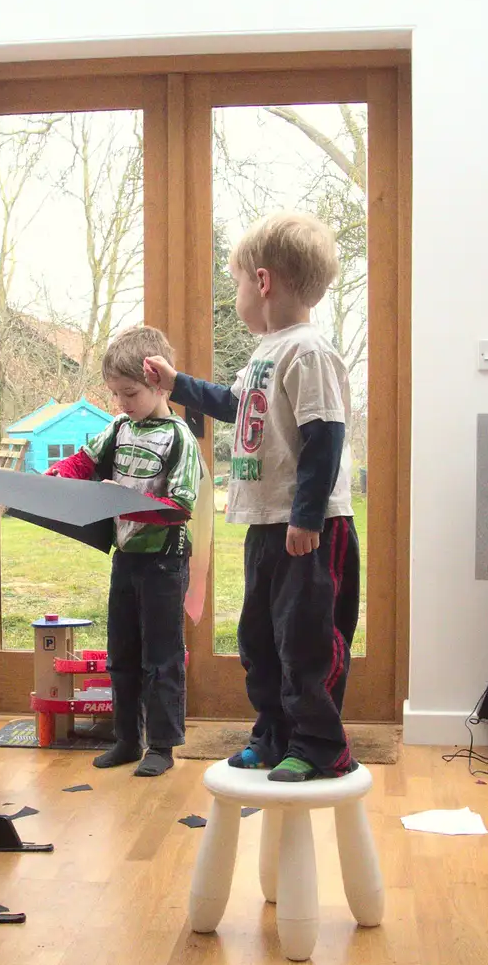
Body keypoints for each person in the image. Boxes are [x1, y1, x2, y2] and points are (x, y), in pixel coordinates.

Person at [143, 211, 359, 783]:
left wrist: (307, 515)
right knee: (260, 639)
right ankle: (273, 735)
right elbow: (233, 404)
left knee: (307, 641)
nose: (236, 293)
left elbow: (325, 434)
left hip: (307, 528)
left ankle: (320, 746)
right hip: (267, 524)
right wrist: (175, 383)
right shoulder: (265, 352)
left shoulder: (308, 351)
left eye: (236, 281)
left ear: (262, 282)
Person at [48, 325, 203, 777]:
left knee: (162, 655)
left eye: (130, 393)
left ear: (158, 382)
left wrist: (125, 501)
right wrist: (59, 476)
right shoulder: (117, 428)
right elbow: (83, 461)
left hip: (165, 562)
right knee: (123, 652)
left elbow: (180, 508)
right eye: (115, 394)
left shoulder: (180, 438)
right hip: (126, 559)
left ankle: (162, 744)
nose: (122, 403)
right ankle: (127, 739)